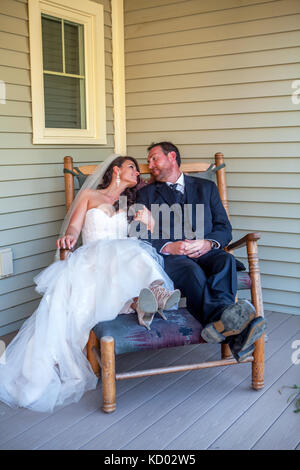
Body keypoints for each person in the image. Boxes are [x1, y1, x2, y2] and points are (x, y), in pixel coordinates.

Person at [0, 154, 180, 413]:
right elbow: (73, 228)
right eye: (132, 168)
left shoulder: (129, 204)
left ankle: (153, 295)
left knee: (137, 250)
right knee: (129, 255)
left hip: (120, 261)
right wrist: (68, 240)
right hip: (93, 259)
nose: (138, 174)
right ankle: (141, 301)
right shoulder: (89, 197)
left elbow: (152, 234)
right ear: (116, 170)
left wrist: (147, 220)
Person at [136, 142, 266, 362]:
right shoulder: (146, 195)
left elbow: (224, 228)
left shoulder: (206, 188)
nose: (150, 165)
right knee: (191, 272)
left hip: (205, 250)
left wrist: (208, 243)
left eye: (154, 158)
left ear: (172, 157)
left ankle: (221, 325)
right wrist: (169, 246)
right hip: (172, 256)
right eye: (148, 160)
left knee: (225, 261)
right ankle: (234, 332)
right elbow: (139, 233)